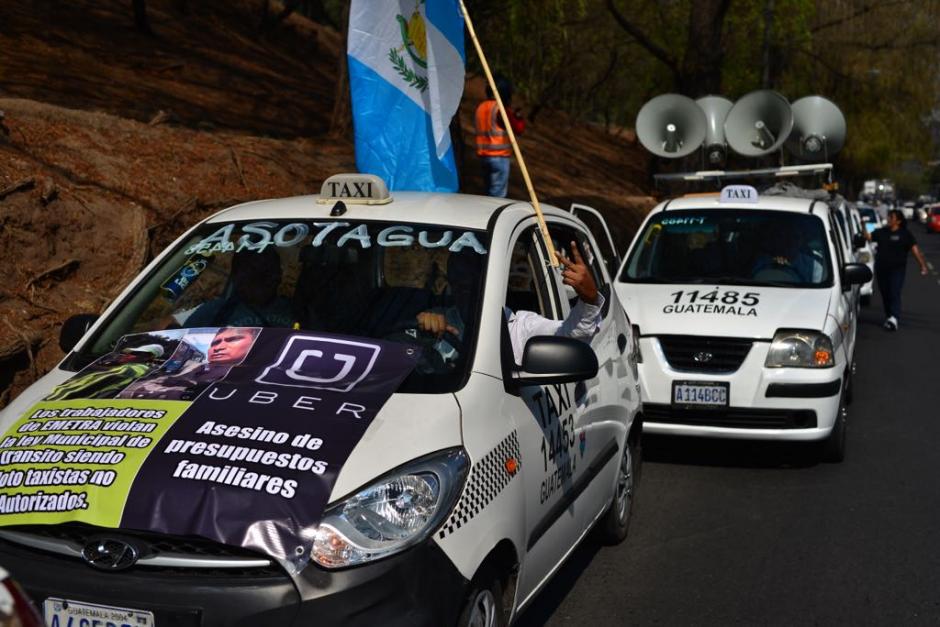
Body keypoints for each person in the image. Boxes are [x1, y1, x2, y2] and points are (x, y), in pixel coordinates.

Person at [416, 241, 604, 366]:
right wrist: (421, 337)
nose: (466, 291)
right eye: (459, 283)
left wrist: (589, 300)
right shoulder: (437, 320)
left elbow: (571, 339)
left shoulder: (519, 328)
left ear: (492, 283)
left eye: (473, 284)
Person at [119, 327, 260, 400]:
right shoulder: (191, 367)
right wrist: (186, 394)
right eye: (215, 343)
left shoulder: (266, 374)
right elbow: (137, 389)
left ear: (255, 343)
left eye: (233, 339)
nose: (219, 347)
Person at [185, 247, 293, 328]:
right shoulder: (215, 312)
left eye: (270, 271)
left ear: (279, 275)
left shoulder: (295, 310)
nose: (265, 279)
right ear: (237, 277)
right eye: (254, 272)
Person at [866, 209, 929, 331]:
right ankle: (890, 317)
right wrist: (863, 226)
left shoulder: (905, 234)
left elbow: (915, 250)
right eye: (889, 217)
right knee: (885, 293)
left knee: (894, 291)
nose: (889, 219)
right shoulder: (882, 232)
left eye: (892, 217)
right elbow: (869, 236)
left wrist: (922, 265)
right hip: (881, 268)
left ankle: (894, 317)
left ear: (898, 221)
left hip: (897, 269)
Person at [45, 344, 164, 400]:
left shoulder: (136, 368)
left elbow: (79, 388)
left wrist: (97, 367)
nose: (127, 355)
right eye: (129, 353)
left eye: (135, 353)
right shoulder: (125, 365)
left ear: (148, 357)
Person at [474, 76, 525, 198]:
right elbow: (518, 129)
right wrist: (518, 117)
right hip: (499, 158)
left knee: (488, 194)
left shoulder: (480, 107)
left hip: (483, 157)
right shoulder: (500, 109)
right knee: (497, 197)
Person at [750, 221, 825, 283]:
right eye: (784, 236)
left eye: (795, 237)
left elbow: (819, 291)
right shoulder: (761, 260)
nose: (790, 241)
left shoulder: (813, 266)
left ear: (802, 240)